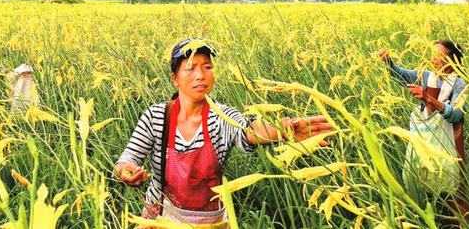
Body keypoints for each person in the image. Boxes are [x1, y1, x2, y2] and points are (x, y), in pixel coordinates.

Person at [114, 38, 332, 225]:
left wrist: (282, 129)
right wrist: (127, 171)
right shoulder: (157, 116)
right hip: (161, 216)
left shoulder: (221, 117)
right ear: (175, 79)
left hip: (211, 221)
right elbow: (127, 159)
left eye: (207, 67)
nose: (201, 75)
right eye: (191, 68)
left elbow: (248, 130)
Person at [378, 40, 469, 227]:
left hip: (447, 144)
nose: (432, 59)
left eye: (438, 55)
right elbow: (401, 75)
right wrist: (388, 61)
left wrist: (429, 99)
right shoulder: (427, 76)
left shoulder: (460, 84)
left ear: (451, 60)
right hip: (424, 140)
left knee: (448, 187)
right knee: (423, 180)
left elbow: (459, 114)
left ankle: (449, 221)